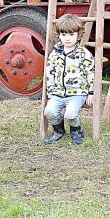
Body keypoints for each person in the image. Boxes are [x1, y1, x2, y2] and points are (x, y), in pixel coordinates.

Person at [43, 14, 94, 145]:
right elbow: (50, 74)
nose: (67, 38)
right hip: (58, 93)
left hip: (77, 93)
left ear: (78, 35)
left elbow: (91, 73)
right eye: (64, 35)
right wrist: (50, 94)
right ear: (59, 35)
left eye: (71, 35)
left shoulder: (84, 54)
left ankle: (76, 130)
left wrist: (91, 92)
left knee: (70, 114)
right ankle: (58, 130)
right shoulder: (55, 54)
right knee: (48, 112)